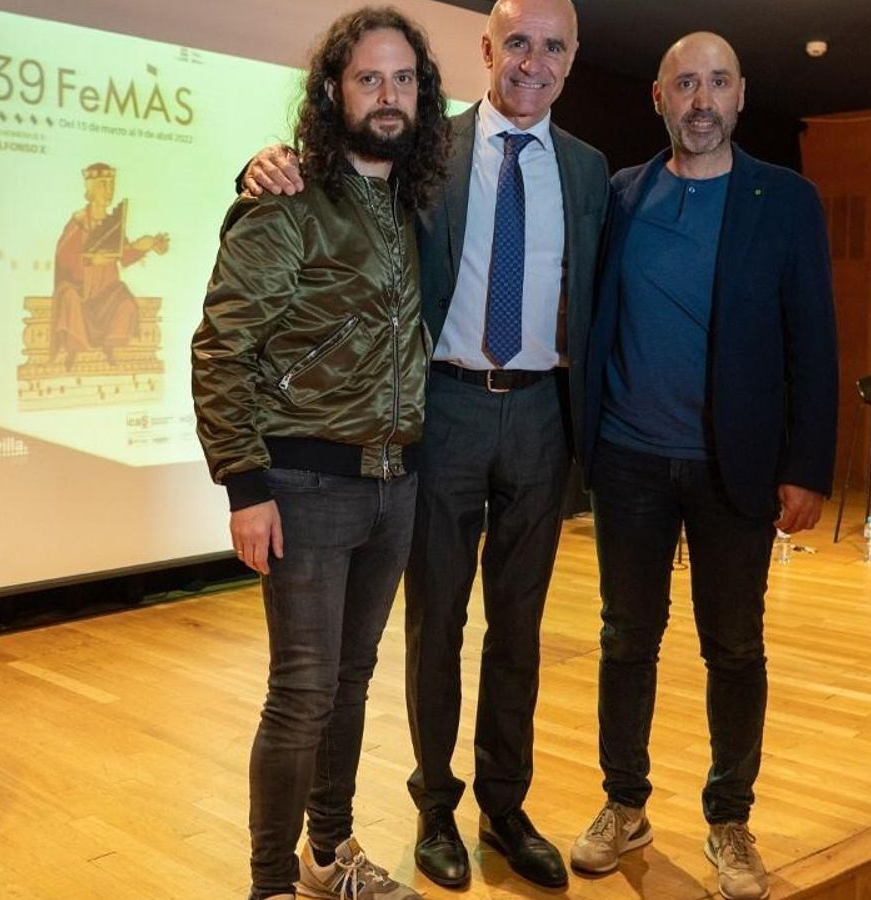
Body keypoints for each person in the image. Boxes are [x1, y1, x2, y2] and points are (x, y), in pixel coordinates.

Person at [243, 0, 608, 889]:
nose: (533, 61)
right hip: (439, 411)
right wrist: (260, 165)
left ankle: (505, 805)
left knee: (518, 625)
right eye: (516, 42)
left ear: (571, 59)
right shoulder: (425, 149)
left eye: (553, 46)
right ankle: (435, 806)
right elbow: (335, 173)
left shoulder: (592, 171)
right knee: (434, 622)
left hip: (542, 419)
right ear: (485, 49)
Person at [569, 32, 839, 900]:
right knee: (625, 639)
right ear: (659, 98)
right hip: (630, 460)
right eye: (685, 84)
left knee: (734, 646)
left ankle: (730, 819)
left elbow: (815, 344)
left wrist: (808, 465)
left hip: (738, 468)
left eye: (717, 82)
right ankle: (624, 803)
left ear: (741, 95)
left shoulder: (787, 200)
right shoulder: (619, 197)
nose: (701, 100)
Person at [190, 8, 450, 899]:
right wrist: (244, 485)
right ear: (334, 90)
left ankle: (327, 859)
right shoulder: (288, 199)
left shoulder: (409, 201)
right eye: (369, 79)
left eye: (404, 79)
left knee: (350, 682)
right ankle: (268, 885)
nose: (388, 96)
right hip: (303, 485)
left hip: (396, 482)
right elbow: (222, 347)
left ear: (422, 93)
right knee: (301, 694)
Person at [52, 162, 169, 365]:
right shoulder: (79, 221)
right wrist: (89, 260)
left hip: (106, 289)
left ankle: (110, 347)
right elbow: (64, 257)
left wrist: (147, 245)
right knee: (69, 299)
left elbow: (123, 255)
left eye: (111, 185)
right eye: (103, 185)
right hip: (81, 289)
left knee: (125, 302)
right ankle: (74, 352)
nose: (108, 191)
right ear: (91, 188)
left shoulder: (112, 223)